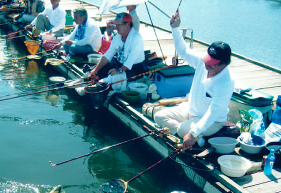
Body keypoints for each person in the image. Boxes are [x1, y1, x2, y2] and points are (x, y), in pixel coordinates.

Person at [154, 10, 234, 151]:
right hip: (190, 109)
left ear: (224, 64)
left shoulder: (226, 83)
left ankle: (193, 135)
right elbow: (183, 51)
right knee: (159, 116)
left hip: (213, 121)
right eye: (207, 60)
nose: (207, 65)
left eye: (212, 63)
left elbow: (213, 113)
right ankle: (198, 138)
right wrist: (175, 28)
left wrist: (193, 132)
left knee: (182, 130)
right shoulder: (203, 63)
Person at [88, 12, 146, 92]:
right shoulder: (118, 37)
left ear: (128, 24)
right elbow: (108, 55)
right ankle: (94, 80)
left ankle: (99, 86)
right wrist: (95, 70)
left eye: (119, 25)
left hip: (134, 68)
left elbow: (131, 60)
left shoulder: (137, 38)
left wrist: (119, 71)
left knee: (113, 78)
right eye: (116, 25)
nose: (116, 27)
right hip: (120, 64)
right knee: (99, 71)